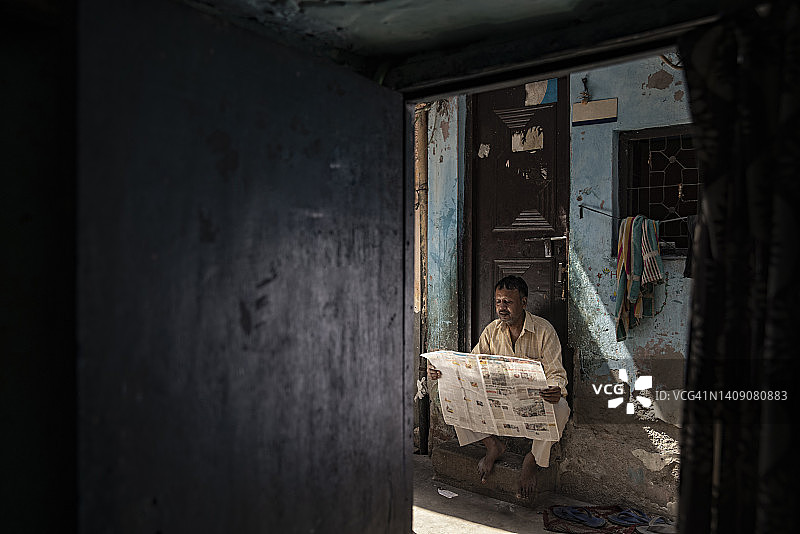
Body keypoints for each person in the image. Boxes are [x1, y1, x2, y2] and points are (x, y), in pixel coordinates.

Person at [427, 275, 570, 499]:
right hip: (499, 403)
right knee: (451, 398)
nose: (502, 308)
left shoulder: (544, 331)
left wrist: (555, 389)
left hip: (531, 404)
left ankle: (532, 459)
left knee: (561, 408)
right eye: (498, 302)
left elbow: (556, 373)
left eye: (508, 302)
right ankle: (492, 445)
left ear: (524, 302)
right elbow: (470, 366)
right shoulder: (492, 330)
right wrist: (442, 373)